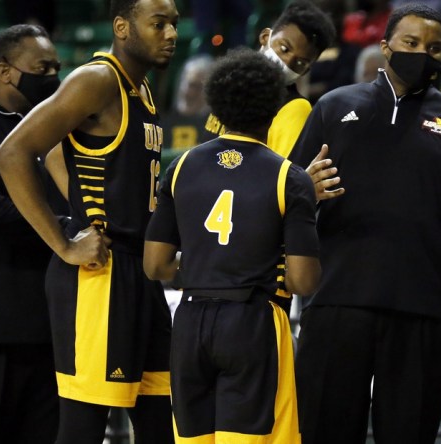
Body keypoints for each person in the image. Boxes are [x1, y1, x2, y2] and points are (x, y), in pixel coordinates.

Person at [288, 4, 441, 443]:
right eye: (411, 43)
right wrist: (303, 192)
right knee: (322, 432)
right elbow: (285, 199)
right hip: (336, 302)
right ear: (385, 47)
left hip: (425, 310)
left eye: (434, 48)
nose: (423, 53)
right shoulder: (333, 106)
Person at [0, 0, 180, 442]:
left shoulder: (144, 88)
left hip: (140, 274)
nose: (171, 34)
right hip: (101, 277)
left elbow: (61, 151)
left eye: (173, 24)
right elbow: (12, 153)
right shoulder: (97, 79)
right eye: (158, 24)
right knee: (84, 428)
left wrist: (83, 197)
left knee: (162, 422)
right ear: (122, 26)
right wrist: (65, 240)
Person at [144, 47, 321, 444]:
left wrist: (200, 271)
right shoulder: (289, 177)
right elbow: (304, 280)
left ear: (217, 106)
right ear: (274, 107)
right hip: (252, 320)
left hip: (190, 322)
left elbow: (155, 265)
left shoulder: (181, 166)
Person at [0, 23, 62, 444]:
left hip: (50, 326)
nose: (53, 78)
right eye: (42, 67)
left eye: (57, 68)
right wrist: (61, 226)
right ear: (6, 71)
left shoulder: (56, 133)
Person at [202, 0, 336, 159]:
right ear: (265, 37)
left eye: (300, 63)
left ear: (306, 70)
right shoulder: (231, 82)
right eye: (284, 48)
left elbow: (278, 175)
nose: (287, 63)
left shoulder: (295, 108)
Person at [161, 55, 213, 150]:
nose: (191, 93)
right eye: (190, 85)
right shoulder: (162, 125)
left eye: (198, 87)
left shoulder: (216, 130)